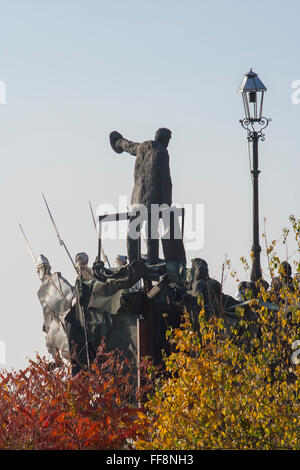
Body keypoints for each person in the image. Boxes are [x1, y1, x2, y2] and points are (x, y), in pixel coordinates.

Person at [110, 128, 186, 268]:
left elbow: (128, 145)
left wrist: (117, 142)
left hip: (137, 197)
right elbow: (165, 179)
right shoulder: (162, 152)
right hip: (153, 198)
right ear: (165, 140)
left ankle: (133, 259)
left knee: (134, 229)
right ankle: (152, 258)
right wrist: (166, 204)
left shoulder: (141, 147)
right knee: (152, 230)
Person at [36, 255, 74, 363]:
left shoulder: (55, 280)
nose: (39, 273)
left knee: (50, 337)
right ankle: (57, 360)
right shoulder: (43, 291)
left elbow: (71, 293)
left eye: (39, 270)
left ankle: (58, 361)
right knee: (49, 338)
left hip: (66, 315)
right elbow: (47, 314)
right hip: (60, 318)